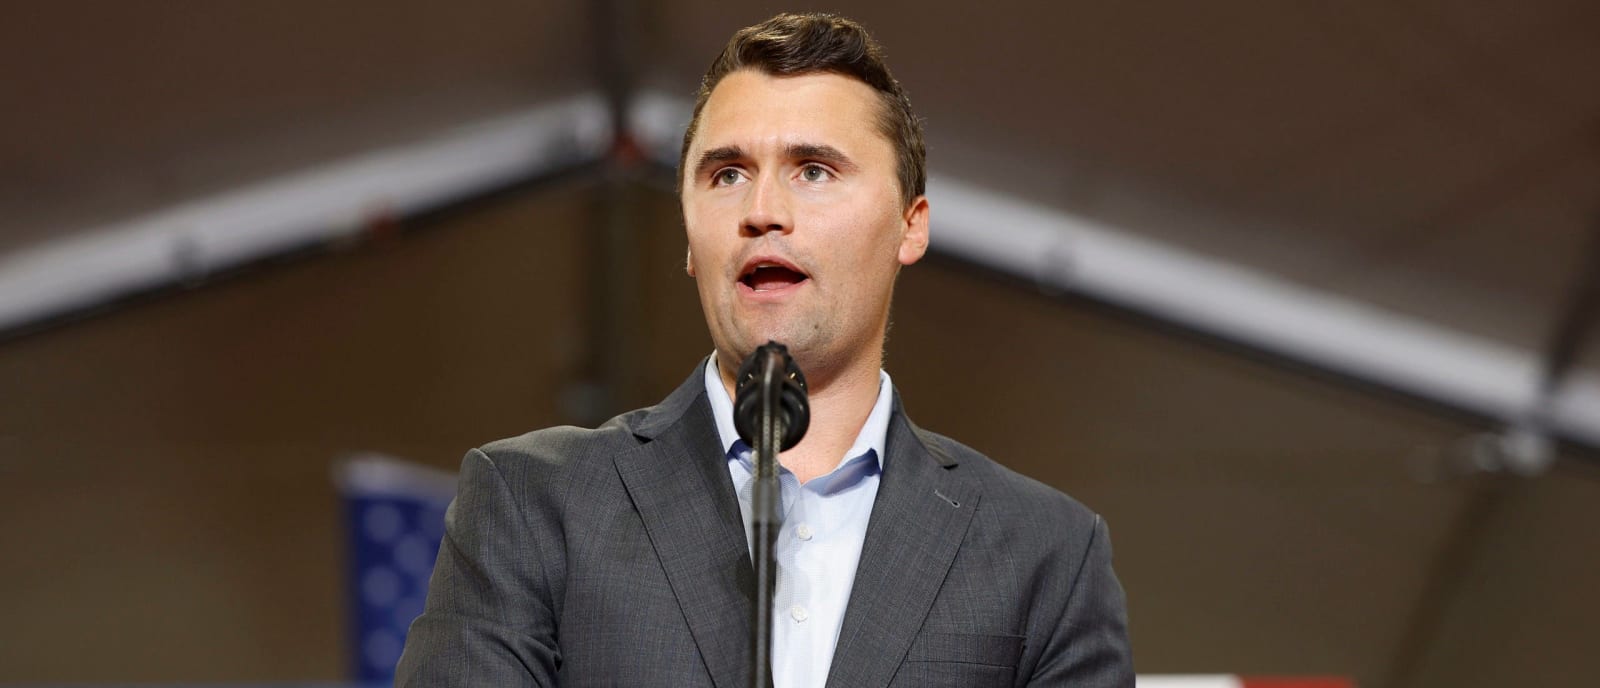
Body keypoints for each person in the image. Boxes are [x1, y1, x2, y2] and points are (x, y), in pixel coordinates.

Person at [396, 12, 1131, 687]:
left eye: (813, 170)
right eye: (727, 174)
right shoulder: (531, 505)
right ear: (689, 237)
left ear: (911, 226)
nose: (762, 212)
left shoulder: (1046, 554)